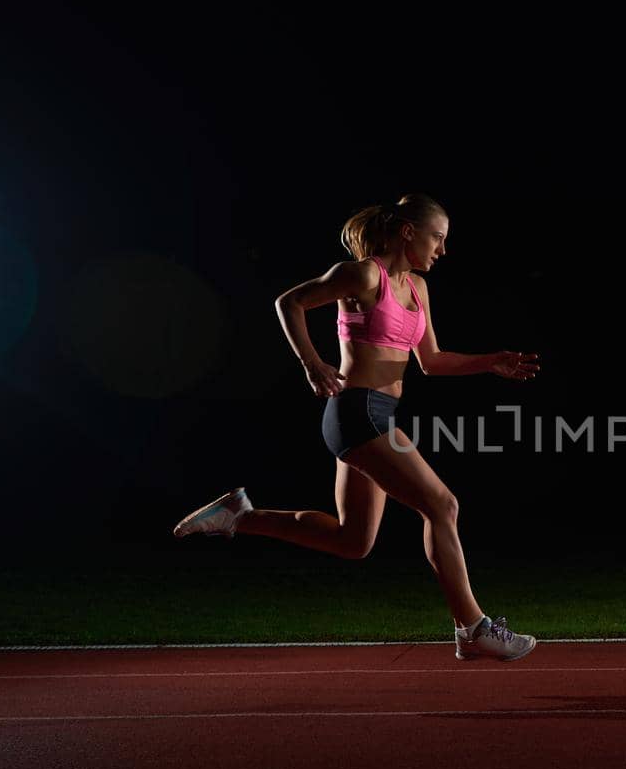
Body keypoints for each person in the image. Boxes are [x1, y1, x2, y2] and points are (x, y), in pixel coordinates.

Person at [173, 193, 540, 661]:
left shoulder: (418, 289)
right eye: (437, 238)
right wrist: (312, 363)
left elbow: (431, 362)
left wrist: (491, 362)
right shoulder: (365, 274)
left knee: (352, 542)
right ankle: (472, 627)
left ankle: (239, 516)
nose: (442, 250)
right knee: (443, 505)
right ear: (408, 232)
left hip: (379, 415)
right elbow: (290, 303)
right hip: (357, 412)